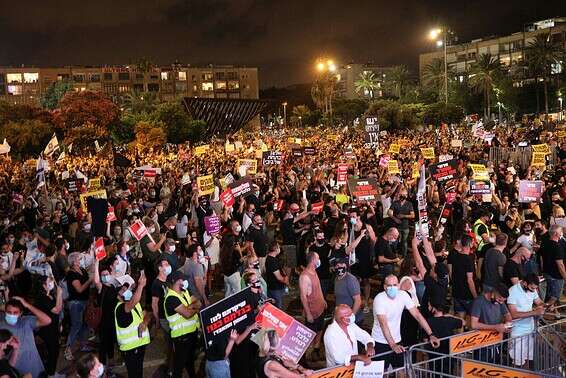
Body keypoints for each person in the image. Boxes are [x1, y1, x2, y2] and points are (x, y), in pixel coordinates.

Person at [371, 275, 440, 370]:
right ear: (384, 287)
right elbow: (384, 324)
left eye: (394, 285)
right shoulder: (379, 299)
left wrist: (431, 334)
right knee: (381, 372)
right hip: (380, 341)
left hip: (397, 340)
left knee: (401, 370)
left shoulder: (403, 295)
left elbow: (417, 315)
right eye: (389, 285)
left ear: (398, 285)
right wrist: (393, 345)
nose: (392, 287)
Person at [0, 297, 51, 378]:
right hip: (15, 371)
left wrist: (27, 305)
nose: (11, 315)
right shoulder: (1, 323)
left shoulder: (26, 321)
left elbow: (47, 320)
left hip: (35, 368)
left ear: (20, 313)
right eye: (9, 312)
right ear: (5, 311)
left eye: (15, 312)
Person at [164, 271, 201, 378]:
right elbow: (188, 314)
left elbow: (198, 301)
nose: (185, 281)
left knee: (190, 361)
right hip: (181, 338)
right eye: (182, 279)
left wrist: (190, 307)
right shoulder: (171, 298)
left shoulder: (184, 292)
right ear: (176, 282)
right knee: (179, 366)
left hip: (191, 334)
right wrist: (193, 308)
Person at [114, 272, 150, 378]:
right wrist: (141, 286)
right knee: (134, 374)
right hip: (130, 349)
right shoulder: (120, 308)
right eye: (123, 290)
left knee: (138, 373)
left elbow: (147, 315)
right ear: (118, 295)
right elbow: (134, 301)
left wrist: (145, 322)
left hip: (140, 345)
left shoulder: (134, 304)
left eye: (127, 289)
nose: (126, 291)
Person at [507, 274, 545, 368]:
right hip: (517, 331)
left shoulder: (533, 289)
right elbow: (513, 314)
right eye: (532, 288)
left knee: (528, 357)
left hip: (530, 329)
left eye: (535, 288)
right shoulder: (512, 291)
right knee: (517, 360)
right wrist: (534, 312)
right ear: (524, 283)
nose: (533, 290)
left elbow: (538, 302)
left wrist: (546, 305)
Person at [470, 283, 512, 362]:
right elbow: (473, 324)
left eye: (502, 301)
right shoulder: (479, 302)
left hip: (497, 342)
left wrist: (508, 325)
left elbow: (508, 315)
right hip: (482, 344)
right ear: (493, 293)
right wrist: (495, 327)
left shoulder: (500, 302)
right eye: (499, 299)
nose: (500, 302)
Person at [65, 252, 93, 361]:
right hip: (75, 303)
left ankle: (83, 344)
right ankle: (68, 349)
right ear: (73, 262)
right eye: (79, 259)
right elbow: (80, 289)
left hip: (84, 301)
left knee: (84, 324)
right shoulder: (71, 274)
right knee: (76, 325)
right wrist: (89, 281)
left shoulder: (83, 270)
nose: (81, 260)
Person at [348, 208, 376, 313]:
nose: (352, 218)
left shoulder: (367, 227)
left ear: (358, 217)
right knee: (354, 280)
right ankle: (356, 301)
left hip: (365, 256)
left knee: (365, 280)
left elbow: (374, 241)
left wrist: (372, 255)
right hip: (354, 258)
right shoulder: (350, 228)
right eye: (350, 217)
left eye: (353, 216)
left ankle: (366, 302)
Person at [34, 276, 63, 378]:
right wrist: (59, 294)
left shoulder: (50, 295)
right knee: (51, 353)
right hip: (46, 330)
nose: (52, 282)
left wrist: (59, 323)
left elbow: (59, 308)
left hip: (54, 328)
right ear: (43, 285)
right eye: (49, 281)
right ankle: (50, 374)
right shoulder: (42, 298)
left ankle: (52, 372)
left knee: (55, 351)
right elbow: (56, 310)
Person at [298, 251, 326, 353]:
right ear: (313, 260)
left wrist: (323, 301)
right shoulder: (304, 277)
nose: (319, 260)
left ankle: (316, 349)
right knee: (309, 335)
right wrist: (308, 314)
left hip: (320, 309)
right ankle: (307, 355)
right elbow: (303, 297)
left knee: (320, 329)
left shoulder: (314, 271)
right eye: (318, 258)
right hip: (313, 312)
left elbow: (318, 288)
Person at [150, 258, 173, 374]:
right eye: (166, 264)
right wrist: (157, 319)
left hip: (172, 316)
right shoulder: (156, 284)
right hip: (164, 318)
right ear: (160, 268)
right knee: (170, 343)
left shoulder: (167, 281)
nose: (168, 266)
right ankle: (169, 368)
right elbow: (154, 303)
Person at [448, 235, 477, 320]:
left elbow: (451, 272)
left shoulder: (455, 256)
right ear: (470, 244)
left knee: (460, 320)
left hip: (456, 292)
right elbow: (470, 280)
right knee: (472, 320)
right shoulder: (468, 259)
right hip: (467, 294)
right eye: (473, 242)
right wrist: (475, 296)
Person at [539, 225, 565, 306]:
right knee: (554, 297)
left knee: (549, 295)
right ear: (556, 233)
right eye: (560, 232)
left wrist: (543, 271)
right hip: (556, 276)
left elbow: (541, 259)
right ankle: (541, 312)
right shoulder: (557, 246)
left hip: (547, 273)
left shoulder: (544, 243)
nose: (562, 233)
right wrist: (565, 276)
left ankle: (549, 312)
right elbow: (560, 264)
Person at [334, 259, 362, 324]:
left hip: (352, 318)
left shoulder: (350, 280)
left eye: (342, 264)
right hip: (342, 316)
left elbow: (358, 300)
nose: (339, 267)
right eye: (337, 265)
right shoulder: (336, 279)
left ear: (346, 266)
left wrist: (351, 316)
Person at [388, 189, 414, 256]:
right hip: (396, 227)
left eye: (404, 194)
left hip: (405, 227)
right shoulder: (395, 203)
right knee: (395, 241)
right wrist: (395, 219)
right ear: (399, 195)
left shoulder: (409, 204)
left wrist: (404, 216)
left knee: (404, 242)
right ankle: (394, 254)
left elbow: (413, 215)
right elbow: (389, 212)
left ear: (406, 195)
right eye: (401, 194)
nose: (402, 196)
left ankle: (404, 256)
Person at [265, 242, 289, 309]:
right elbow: (278, 277)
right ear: (275, 249)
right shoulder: (272, 261)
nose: (280, 248)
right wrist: (285, 280)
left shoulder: (272, 259)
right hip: (275, 289)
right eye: (278, 247)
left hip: (275, 288)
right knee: (278, 309)